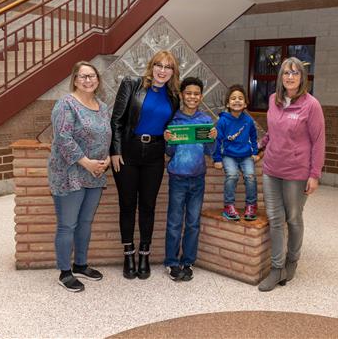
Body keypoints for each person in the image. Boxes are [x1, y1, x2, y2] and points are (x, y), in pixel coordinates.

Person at [110, 50, 180, 280]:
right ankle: (128, 253)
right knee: (128, 205)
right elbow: (117, 120)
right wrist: (115, 151)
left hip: (154, 155)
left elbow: (171, 127)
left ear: (173, 72)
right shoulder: (132, 84)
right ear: (151, 66)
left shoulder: (173, 97)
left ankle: (144, 254)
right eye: (159, 65)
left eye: (168, 67)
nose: (162, 70)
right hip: (128, 153)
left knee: (148, 206)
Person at [258, 56, 325, 292]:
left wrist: (314, 174)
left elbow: (318, 141)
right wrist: (261, 143)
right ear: (280, 77)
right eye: (286, 72)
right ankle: (276, 269)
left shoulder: (311, 105)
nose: (290, 77)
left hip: (297, 172)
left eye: (295, 73)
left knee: (293, 219)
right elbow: (274, 131)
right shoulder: (273, 100)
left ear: (302, 78)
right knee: (275, 219)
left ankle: (291, 261)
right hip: (271, 169)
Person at [48, 61, 111, 292]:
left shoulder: (102, 106)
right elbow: (63, 138)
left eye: (92, 76)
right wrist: (86, 162)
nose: (88, 80)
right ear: (75, 79)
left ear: (97, 80)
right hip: (70, 172)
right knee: (67, 225)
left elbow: (105, 136)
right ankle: (65, 272)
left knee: (85, 222)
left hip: (95, 173)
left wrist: (103, 163)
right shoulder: (65, 104)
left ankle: (81, 264)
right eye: (83, 76)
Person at [163, 77, 217, 281]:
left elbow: (210, 151)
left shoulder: (205, 121)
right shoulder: (174, 120)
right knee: (174, 222)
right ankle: (171, 262)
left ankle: (188, 261)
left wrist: (212, 137)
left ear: (201, 97)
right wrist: (168, 141)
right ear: (182, 95)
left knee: (193, 222)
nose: (192, 97)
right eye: (188, 93)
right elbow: (169, 152)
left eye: (196, 94)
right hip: (177, 178)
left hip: (198, 179)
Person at [213, 85, 259, 221]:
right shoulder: (222, 121)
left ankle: (251, 205)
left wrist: (255, 152)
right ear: (228, 103)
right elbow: (217, 140)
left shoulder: (248, 120)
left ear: (245, 103)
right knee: (232, 176)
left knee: (250, 177)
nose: (237, 101)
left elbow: (254, 137)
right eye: (233, 98)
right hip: (228, 156)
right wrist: (217, 159)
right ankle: (228, 206)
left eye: (240, 98)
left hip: (246, 156)